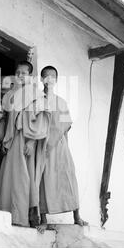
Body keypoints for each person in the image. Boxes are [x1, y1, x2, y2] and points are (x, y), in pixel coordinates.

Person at [0, 61, 50, 227]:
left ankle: (23, 216)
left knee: (24, 178)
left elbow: (40, 119)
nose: (20, 75)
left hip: (26, 139)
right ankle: (8, 214)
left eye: (24, 73)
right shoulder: (10, 95)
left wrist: (32, 142)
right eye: (18, 72)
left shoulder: (35, 94)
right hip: (12, 139)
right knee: (10, 176)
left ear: (30, 76)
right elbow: (5, 119)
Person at [36, 66, 88, 233]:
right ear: (41, 79)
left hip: (60, 146)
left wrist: (60, 141)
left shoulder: (62, 102)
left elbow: (66, 126)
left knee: (68, 178)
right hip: (43, 146)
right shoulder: (37, 100)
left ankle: (77, 216)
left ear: (56, 80)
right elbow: (34, 122)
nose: (49, 79)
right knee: (43, 180)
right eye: (46, 76)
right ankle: (43, 219)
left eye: (52, 77)